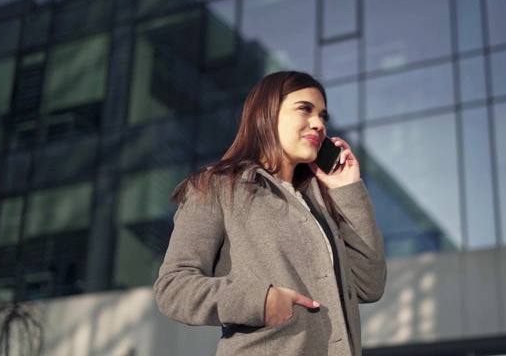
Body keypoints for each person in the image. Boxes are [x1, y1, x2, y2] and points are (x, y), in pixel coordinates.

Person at [154, 71, 386, 355]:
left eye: (323, 116)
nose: (318, 124)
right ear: (268, 113)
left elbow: (369, 286)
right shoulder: (217, 186)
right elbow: (173, 288)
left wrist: (347, 191)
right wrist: (259, 301)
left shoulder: (319, 202)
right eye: (305, 109)